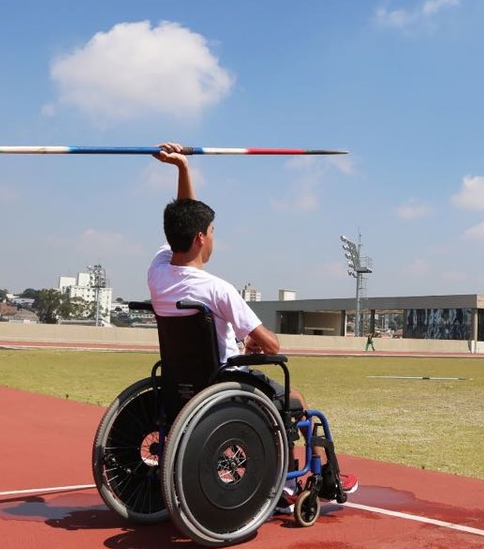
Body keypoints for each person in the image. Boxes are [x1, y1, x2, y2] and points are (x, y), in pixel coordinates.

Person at [148, 142, 357, 509]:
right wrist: (257, 343)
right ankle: (291, 485)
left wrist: (182, 167)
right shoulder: (218, 289)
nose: (212, 235)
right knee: (296, 401)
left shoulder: (157, 272)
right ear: (201, 238)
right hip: (224, 380)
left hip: (180, 380)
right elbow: (270, 346)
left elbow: (186, 218)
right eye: (211, 230)